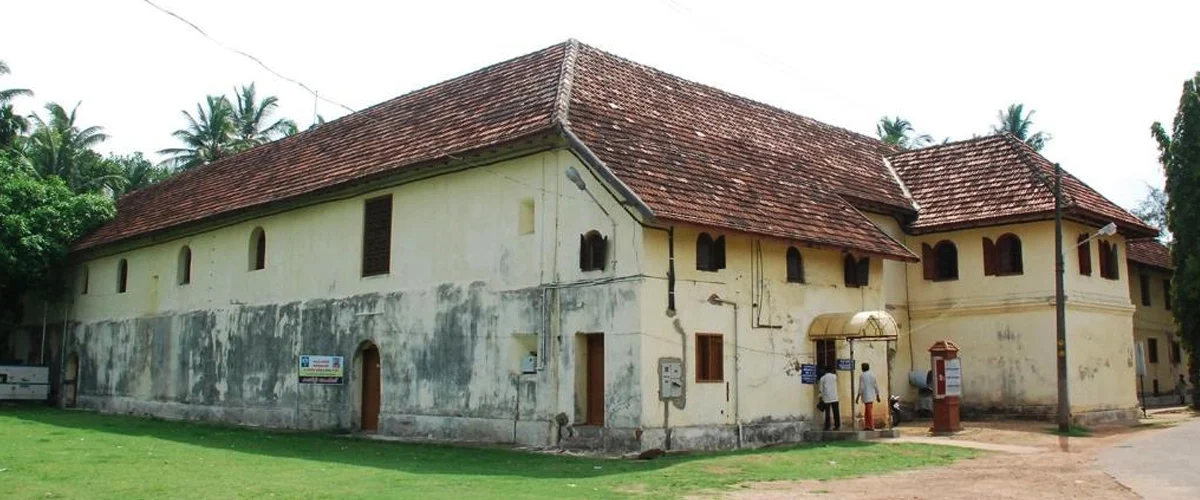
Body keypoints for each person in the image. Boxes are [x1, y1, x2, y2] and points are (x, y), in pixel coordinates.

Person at [856, 362, 881, 430]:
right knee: (867, 411)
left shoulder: (862, 376)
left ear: (863, 368)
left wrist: (858, 396)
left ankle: (871, 426)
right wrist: (877, 395)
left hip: (866, 395)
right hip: (871, 395)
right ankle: (867, 425)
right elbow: (876, 386)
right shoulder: (872, 375)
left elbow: (861, 387)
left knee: (868, 411)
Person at [819, 366, 840, 431]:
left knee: (827, 413)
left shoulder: (822, 378)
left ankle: (827, 426)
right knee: (836, 412)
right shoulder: (834, 377)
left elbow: (821, 389)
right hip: (835, 397)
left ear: (825, 371)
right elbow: (837, 375)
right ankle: (837, 425)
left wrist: (820, 397)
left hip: (826, 397)